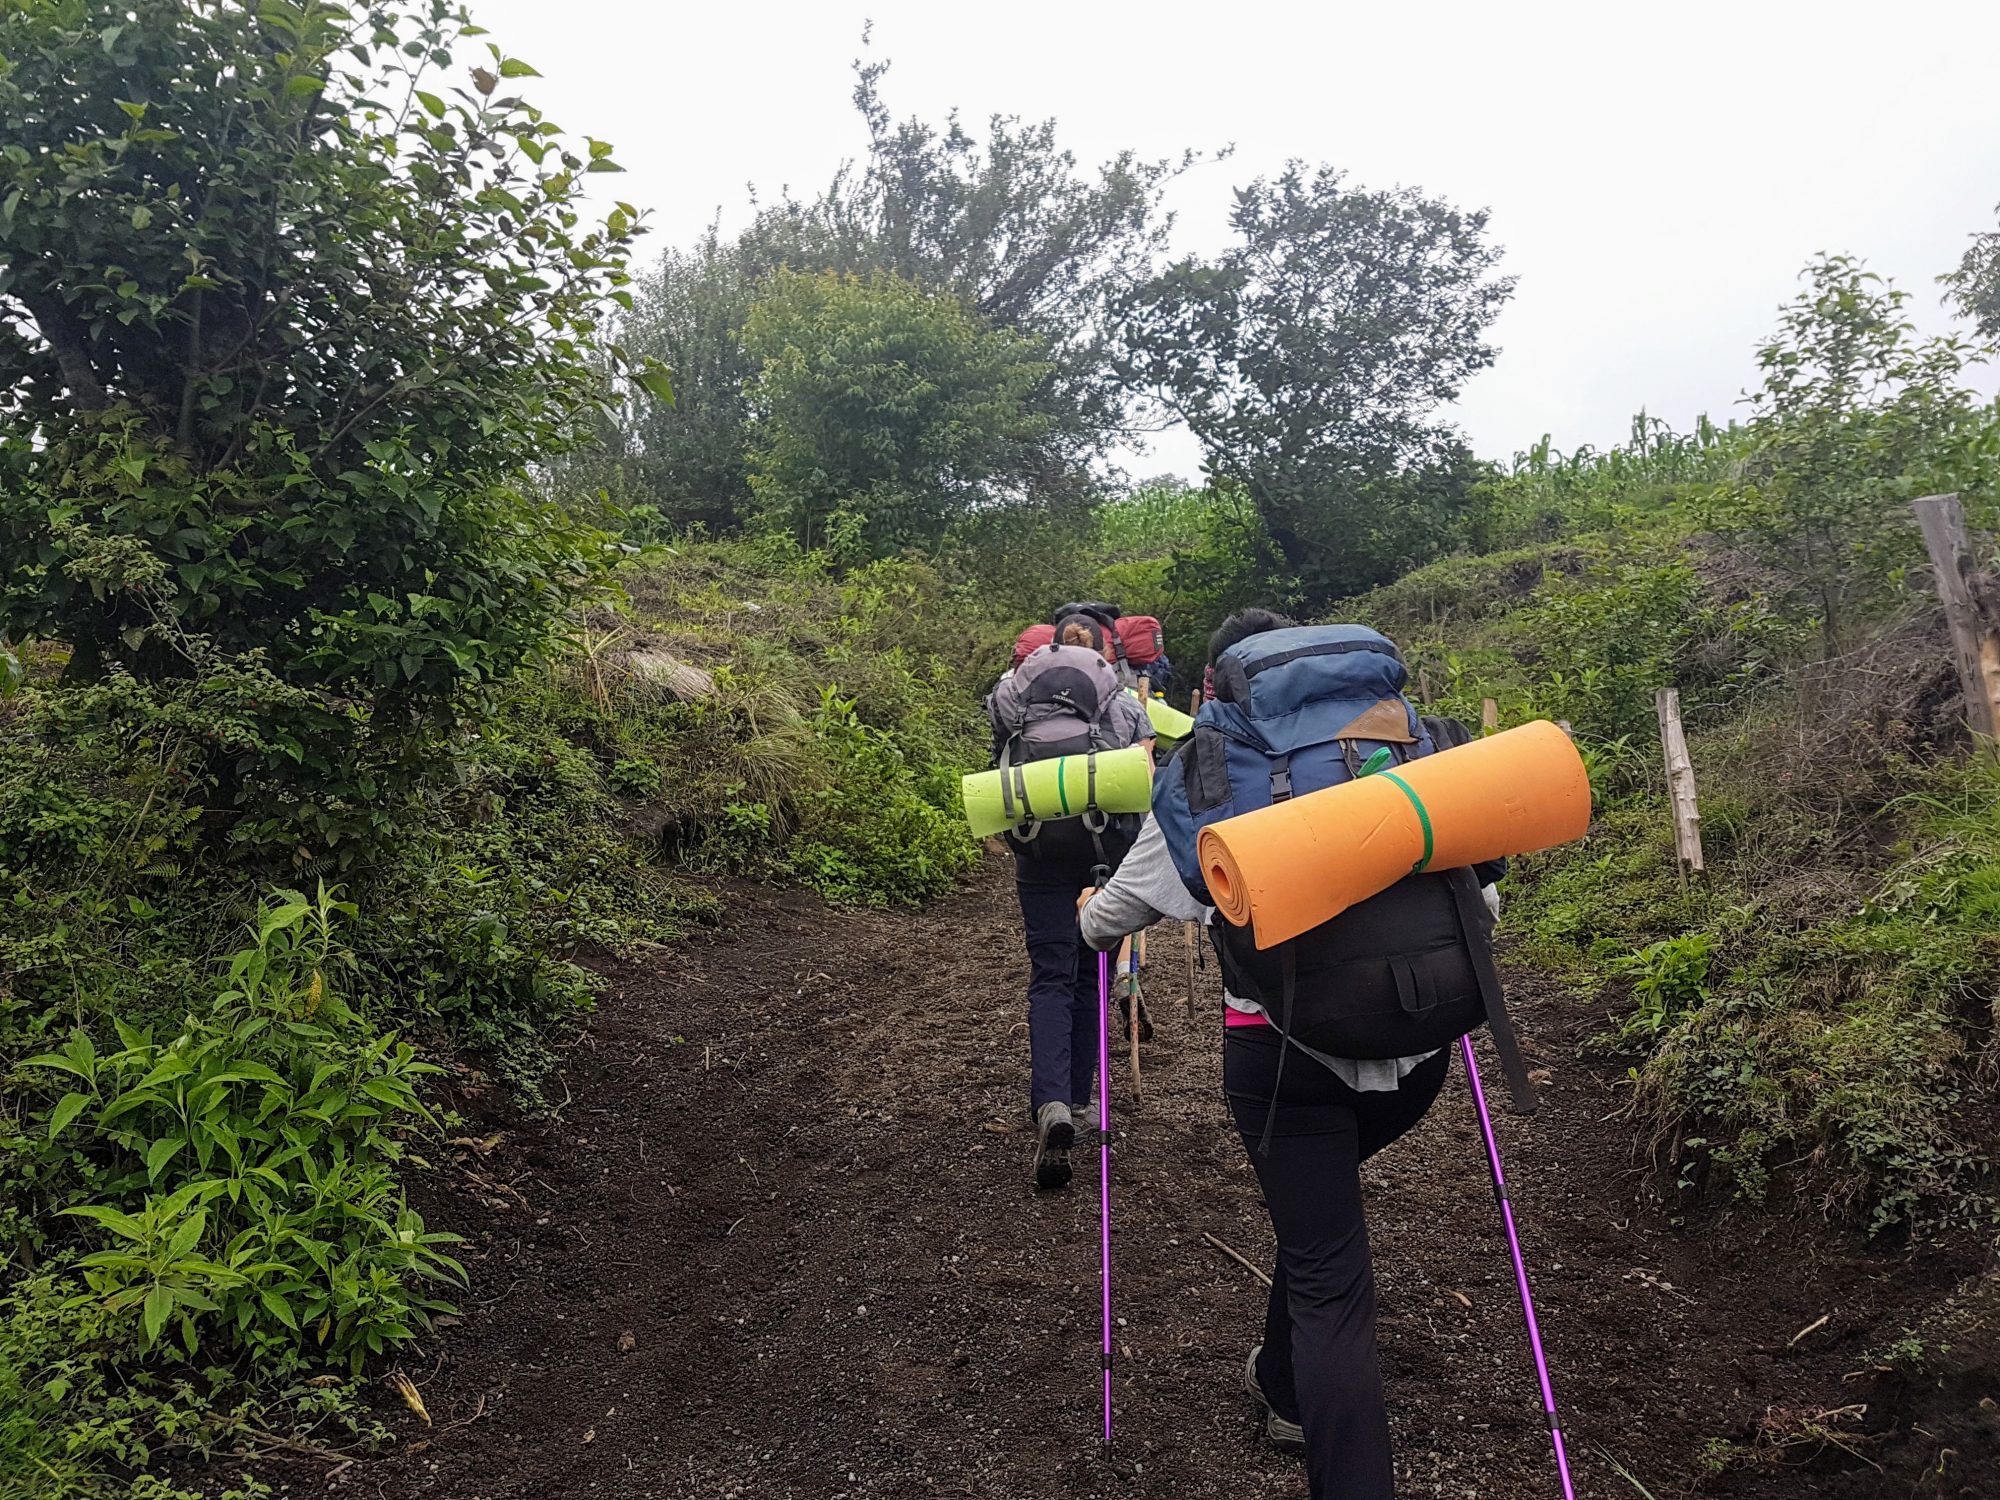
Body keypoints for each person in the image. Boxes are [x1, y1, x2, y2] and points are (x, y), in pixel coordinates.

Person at [1076, 608, 1508, 1500]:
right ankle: (1281, 1383)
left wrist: (1086, 909)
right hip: (1418, 1052)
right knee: (1319, 1226)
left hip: (1284, 1067)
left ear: (1217, 690)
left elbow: (1112, 918)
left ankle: (1324, 1441)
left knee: (1328, 1277)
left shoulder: (1212, 770)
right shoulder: (1411, 745)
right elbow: (1485, 909)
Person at [986, 615, 1153, 1190]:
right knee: (1093, 975)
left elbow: (998, 753)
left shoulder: (1014, 693)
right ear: (1104, 650)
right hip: (1104, 853)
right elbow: (1144, 763)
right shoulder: (1120, 697)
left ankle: (1051, 1102)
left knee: (1051, 977)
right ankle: (1082, 1106)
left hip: (1038, 854)